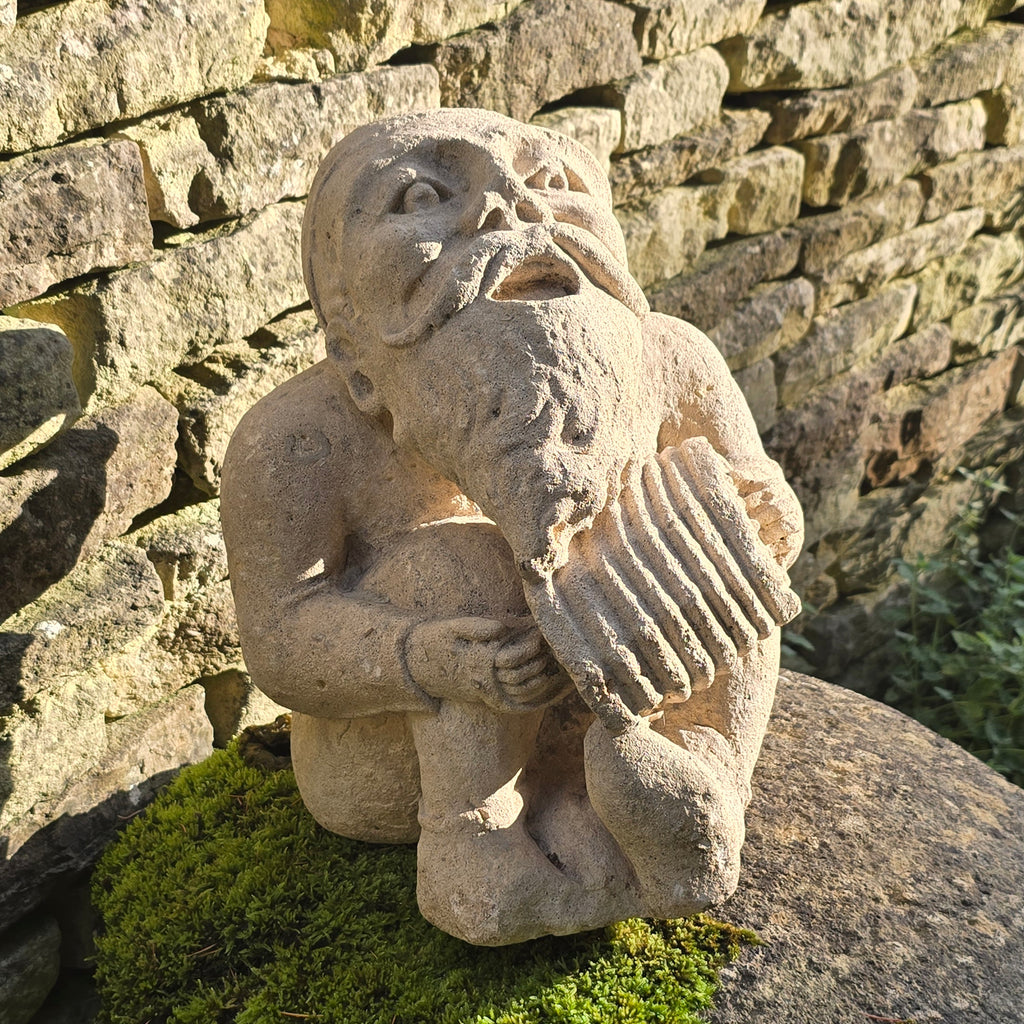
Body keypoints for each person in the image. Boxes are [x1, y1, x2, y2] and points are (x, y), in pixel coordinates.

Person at [220, 108, 803, 945]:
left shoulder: (673, 358)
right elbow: (280, 635)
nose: (511, 208)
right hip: (406, 749)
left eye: (556, 183)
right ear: (348, 331)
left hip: (626, 702)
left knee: (715, 523)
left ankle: (702, 778)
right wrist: (424, 659)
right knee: (464, 565)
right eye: (421, 193)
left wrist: (763, 514)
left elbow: (767, 512)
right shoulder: (296, 441)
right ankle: (476, 845)